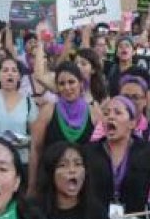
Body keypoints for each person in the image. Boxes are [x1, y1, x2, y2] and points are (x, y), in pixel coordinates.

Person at [29, 61, 100, 189]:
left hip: (82, 185)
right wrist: (32, 185)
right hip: (50, 183)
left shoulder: (94, 113)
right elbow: (35, 149)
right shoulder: (48, 111)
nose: (67, 87)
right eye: (61, 84)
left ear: (81, 84)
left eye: (71, 82)